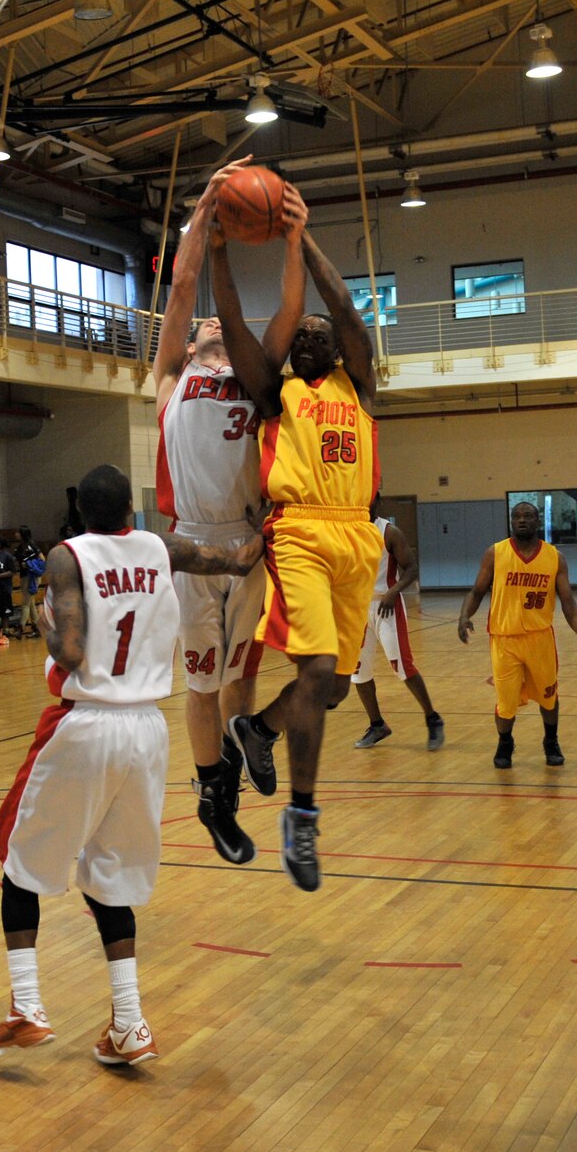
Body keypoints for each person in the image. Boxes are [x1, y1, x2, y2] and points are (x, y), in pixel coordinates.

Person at [0, 464, 261, 1064]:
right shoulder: (160, 547)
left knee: (18, 861)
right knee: (109, 878)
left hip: (86, 723)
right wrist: (270, 524)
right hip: (149, 732)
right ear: (131, 516)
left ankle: (26, 1006)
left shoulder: (67, 557)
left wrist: (42, 620)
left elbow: (71, 650)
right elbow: (230, 559)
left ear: (81, 516)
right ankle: (129, 1025)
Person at [213, 182, 384, 892]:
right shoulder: (277, 393)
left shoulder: (361, 385)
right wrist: (221, 256)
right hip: (301, 533)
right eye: (302, 331)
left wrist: (298, 235)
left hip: (358, 539)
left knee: (337, 688)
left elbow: (344, 307)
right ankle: (302, 819)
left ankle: (260, 730)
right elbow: (233, 329)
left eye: (323, 331)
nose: (312, 330)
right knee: (316, 672)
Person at [152, 156, 304, 863]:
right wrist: (209, 205)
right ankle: (211, 794)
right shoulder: (171, 375)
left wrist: (294, 237)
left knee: (242, 679)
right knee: (202, 683)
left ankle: (230, 789)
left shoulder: (255, 373)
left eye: (221, 319)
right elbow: (184, 283)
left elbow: (289, 311)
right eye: (205, 322)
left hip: (247, 543)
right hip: (190, 547)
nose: (213, 320)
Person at [455, 501, 577, 768]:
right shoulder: (495, 553)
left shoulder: (554, 557)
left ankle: (551, 741)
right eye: (516, 516)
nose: (521, 520)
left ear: (538, 521)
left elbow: (568, 602)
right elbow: (476, 591)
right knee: (506, 701)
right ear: (511, 521)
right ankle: (505, 742)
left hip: (540, 638)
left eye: (528, 516)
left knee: (548, 696)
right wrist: (464, 616)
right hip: (504, 639)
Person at [350, 512, 446, 751]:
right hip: (356, 608)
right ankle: (377, 724)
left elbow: (411, 568)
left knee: (402, 666)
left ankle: (432, 718)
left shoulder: (389, 532)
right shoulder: (345, 529)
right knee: (358, 672)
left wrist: (395, 591)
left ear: (376, 500)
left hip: (386, 605)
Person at [15, 527, 45, 639]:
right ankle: (36, 628)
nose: (15, 534)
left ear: (22, 534)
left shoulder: (31, 545)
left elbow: (42, 559)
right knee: (31, 602)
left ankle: (20, 628)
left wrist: (29, 564)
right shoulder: (20, 547)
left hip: (31, 577)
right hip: (24, 576)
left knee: (25, 603)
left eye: (18, 532)